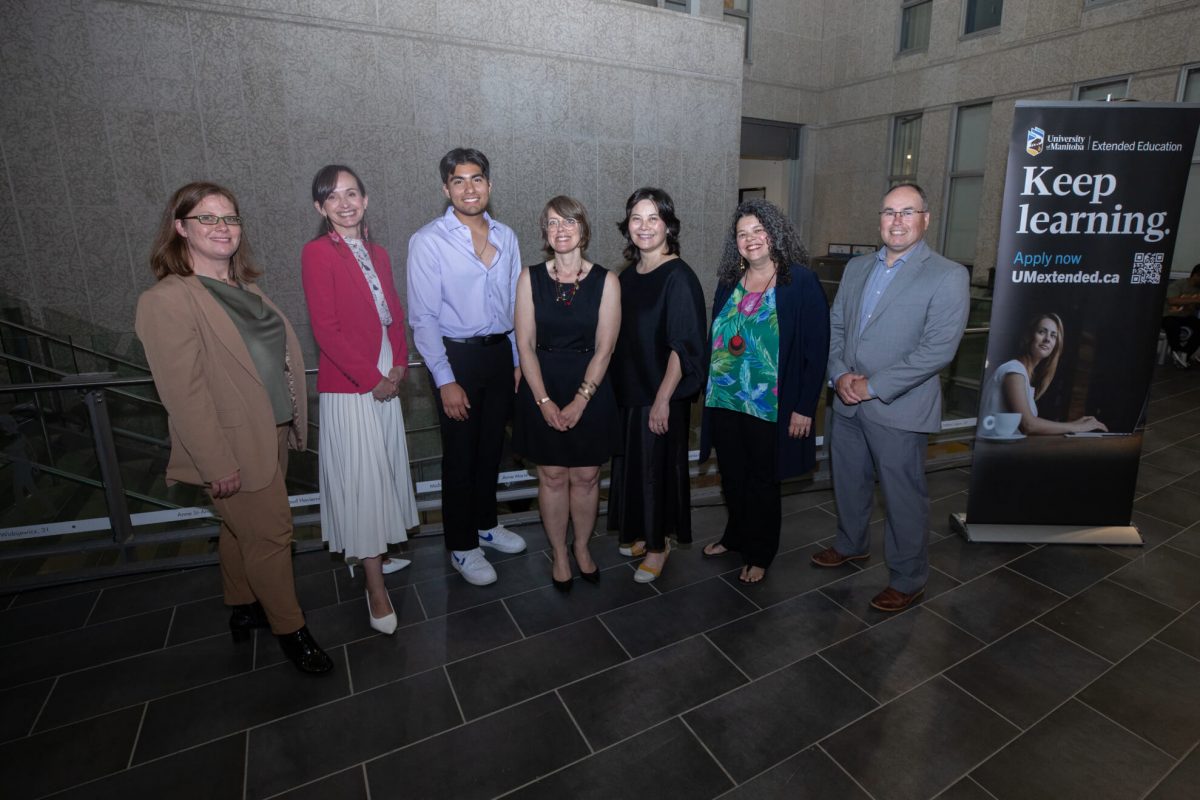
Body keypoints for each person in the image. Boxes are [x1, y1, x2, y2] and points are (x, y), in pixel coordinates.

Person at [135, 182, 332, 674]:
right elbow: (184, 393)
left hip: (271, 430)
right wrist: (215, 460)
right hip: (230, 442)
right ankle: (293, 632)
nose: (222, 228)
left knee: (239, 528)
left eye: (230, 219)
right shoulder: (168, 299)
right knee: (271, 534)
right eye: (208, 218)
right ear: (180, 228)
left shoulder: (246, 290)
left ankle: (243, 607)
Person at [815, 182, 969, 613]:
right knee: (847, 480)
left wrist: (873, 385)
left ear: (925, 219)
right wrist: (840, 374)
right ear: (879, 219)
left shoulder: (947, 275)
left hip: (897, 407)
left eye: (907, 212)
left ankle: (907, 578)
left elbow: (937, 350)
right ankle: (851, 544)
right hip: (846, 400)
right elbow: (837, 328)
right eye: (889, 212)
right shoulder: (858, 268)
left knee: (902, 496)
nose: (897, 221)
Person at [301, 164, 419, 636]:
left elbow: (395, 314)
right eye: (333, 197)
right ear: (320, 208)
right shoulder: (316, 254)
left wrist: (399, 366)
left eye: (352, 193)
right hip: (352, 383)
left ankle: (380, 555)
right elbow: (325, 331)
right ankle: (374, 587)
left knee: (384, 468)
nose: (345, 203)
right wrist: (372, 378)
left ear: (365, 200)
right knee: (364, 479)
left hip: (386, 372)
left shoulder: (379, 252)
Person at [407, 148, 527, 586]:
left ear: (489, 185)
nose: (469, 188)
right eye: (459, 181)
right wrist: (445, 379)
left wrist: (515, 361)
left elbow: (515, 305)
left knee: (492, 449)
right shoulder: (428, 241)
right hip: (455, 357)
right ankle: (461, 545)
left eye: (476, 179)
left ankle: (486, 524)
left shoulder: (507, 237)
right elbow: (423, 319)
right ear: (446, 188)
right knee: (460, 454)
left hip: (499, 354)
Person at [699, 200, 830, 583]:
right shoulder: (728, 282)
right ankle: (735, 535)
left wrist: (805, 407)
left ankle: (760, 551)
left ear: (775, 234)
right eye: (742, 234)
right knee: (732, 477)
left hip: (768, 405)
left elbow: (815, 350)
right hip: (725, 400)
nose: (751, 239)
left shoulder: (799, 282)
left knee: (762, 480)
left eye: (758, 230)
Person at [512, 196, 620, 591]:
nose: (561, 230)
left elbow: (605, 347)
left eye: (569, 222)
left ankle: (582, 547)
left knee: (588, 476)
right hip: (542, 382)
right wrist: (542, 401)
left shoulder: (607, 281)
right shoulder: (530, 278)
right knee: (553, 475)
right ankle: (558, 552)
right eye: (553, 223)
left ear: (583, 229)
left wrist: (580, 400)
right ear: (545, 232)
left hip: (590, 386)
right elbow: (524, 345)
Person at [608, 188, 707, 583]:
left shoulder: (679, 276)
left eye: (653, 218)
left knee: (656, 471)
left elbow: (683, 345)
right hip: (630, 391)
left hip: (660, 393)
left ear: (668, 225)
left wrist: (664, 398)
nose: (644, 227)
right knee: (633, 466)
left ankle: (657, 545)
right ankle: (639, 532)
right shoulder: (627, 276)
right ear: (627, 225)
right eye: (637, 218)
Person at [978, 312, 1107, 435]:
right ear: (1029, 336)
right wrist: (1077, 427)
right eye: (1042, 332)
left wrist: (1076, 425)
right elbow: (1028, 425)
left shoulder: (1023, 374)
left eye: (1053, 335)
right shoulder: (1014, 370)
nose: (1047, 339)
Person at [1162, 263, 1200, 368]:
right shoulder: (1179, 284)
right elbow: (1172, 300)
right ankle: (1176, 351)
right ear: (1196, 275)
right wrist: (1194, 300)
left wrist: (1195, 305)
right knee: (1172, 325)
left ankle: (1185, 354)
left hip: (1186, 316)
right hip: (1169, 315)